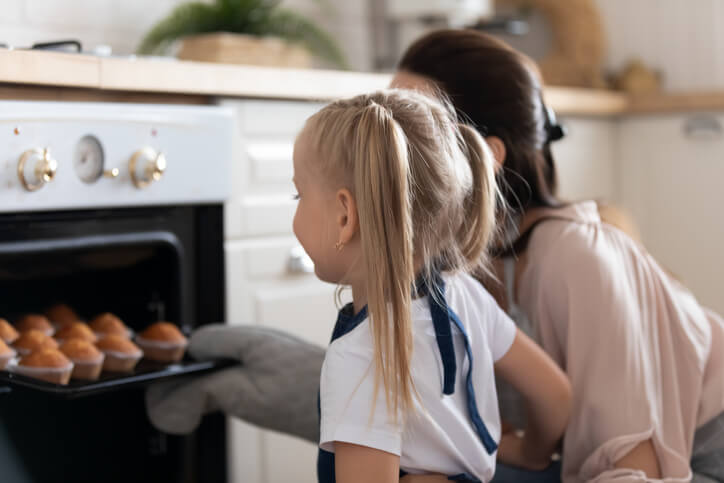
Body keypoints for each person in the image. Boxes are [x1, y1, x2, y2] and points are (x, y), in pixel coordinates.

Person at [146, 29, 724, 482]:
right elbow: (490, 397)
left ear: (483, 157)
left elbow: (636, 467)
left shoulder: (578, 258)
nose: (391, 148)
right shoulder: (463, 271)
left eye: (410, 128)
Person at [296, 89, 570, 482]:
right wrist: (530, 453)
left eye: (299, 194)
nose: (295, 210)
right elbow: (556, 394)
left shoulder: (359, 357)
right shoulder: (466, 293)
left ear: (344, 215)